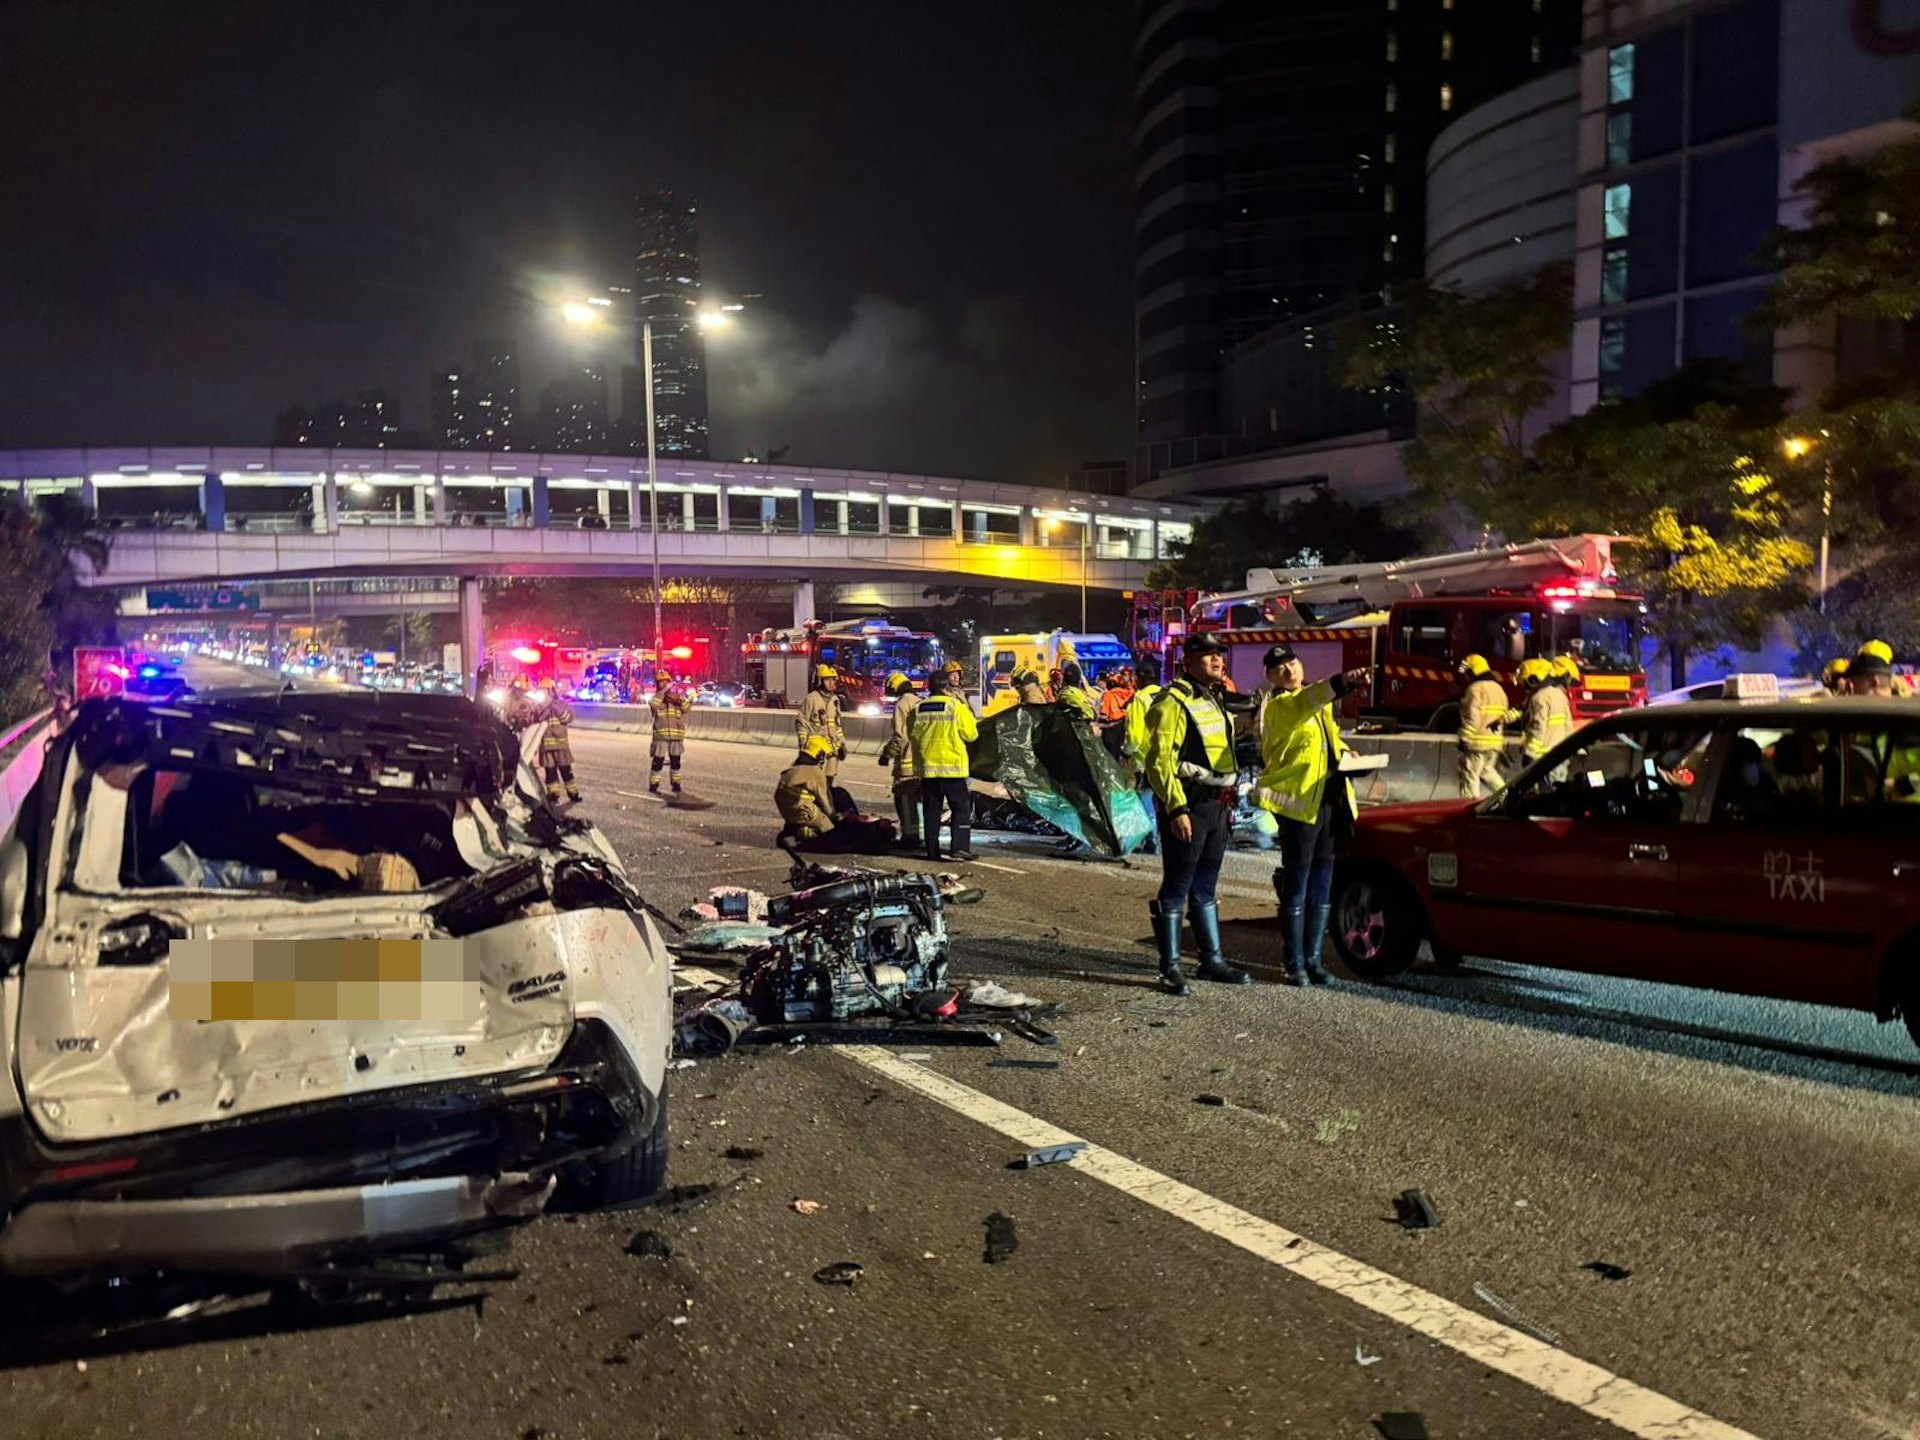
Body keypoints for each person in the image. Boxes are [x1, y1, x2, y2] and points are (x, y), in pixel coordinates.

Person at [1251, 644, 1372, 985]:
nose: (1289, 670)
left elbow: (1329, 742)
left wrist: (1350, 756)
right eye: (1279, 668)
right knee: (1298, 885)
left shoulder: (1315, 704)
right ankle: (1294, 963)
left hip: (1328, 802)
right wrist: (1342, 682)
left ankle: (1314, 961)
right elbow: (1308, 701)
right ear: (1270, 677)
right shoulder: (1280, 705)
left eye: (1292, 662)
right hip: (1299, 806)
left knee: (1322, 885)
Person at [1144, 631, 1250, 994]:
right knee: (1177, 885)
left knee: (1205, 886)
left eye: (1219, 655)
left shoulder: (1215, 698)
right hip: (1188, 805)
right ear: (1187, 662)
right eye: (1207, 656)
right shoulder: (1174, 701)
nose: (1217, 660)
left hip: (1216, 806)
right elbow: (1159, 762)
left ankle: (1211, 961)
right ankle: (1169, 967)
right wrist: (1176, 809)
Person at [910, 667, 978, 862]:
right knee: (961, 809)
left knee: (931, 811)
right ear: (947, 686)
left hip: (928, 768)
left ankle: (932, 850)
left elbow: (912, 734)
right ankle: (959, 849)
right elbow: (971, 734)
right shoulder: (955, 706)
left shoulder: (919, 707)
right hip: (952, 767)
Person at [1456, 654, 1513, 799]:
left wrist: (1464, 738)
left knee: (1470, 774)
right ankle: (1508, 796)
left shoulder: (1475, 689)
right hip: (1494, 742)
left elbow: (1472, 717)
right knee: (1487, 771)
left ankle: (1468, 809)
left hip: (1477, 743)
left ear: (1471, 672)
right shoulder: (1498, 689)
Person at [877, 671, 923, 849]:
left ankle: (910, 838)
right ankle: (920, 835)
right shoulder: (919, 701)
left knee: (905, 801)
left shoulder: (902, 704)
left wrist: (887, 754)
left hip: (907, 765)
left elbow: (900, 737)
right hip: (922, 763)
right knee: (920, 802)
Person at [776, 736, 839, 840]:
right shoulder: (815, 772)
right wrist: (835, 817)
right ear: (820, 754)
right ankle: (805, 832)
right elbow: (824, 800)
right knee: (829, 828)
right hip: (802, 811)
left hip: (786, 811)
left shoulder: (795, 766)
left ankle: (793, 827)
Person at [1518, 657, 1572, 765]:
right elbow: (1568, 725)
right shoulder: (1559, 694)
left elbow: (1538, 727)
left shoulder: (1539, 697)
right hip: (1560, 755)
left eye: (1526, 681)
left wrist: (1529, 754)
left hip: (1543, 758)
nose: (1525, 686)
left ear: (1533, 680)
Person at [797, 665, 846, 780]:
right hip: (815, 745)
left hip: (831, 746)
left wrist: (842, 743)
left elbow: (837, 724)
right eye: (827, 680)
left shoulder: (835, 700)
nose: (831, 683)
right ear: (820, 681)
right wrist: (803, 745)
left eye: (833, 679)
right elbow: (802, 722)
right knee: (813, 779)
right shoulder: (811, 699)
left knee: (829, 778)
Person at [649, 668, 691, 795]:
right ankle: (654, 784)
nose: (663, 684)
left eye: (665, 682)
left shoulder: (677, 697)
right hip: (661, 736)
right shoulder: (656, 698)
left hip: (676, 737)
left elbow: (686, 707)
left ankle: (676, 784)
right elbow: (653, 705)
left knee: (676, 762)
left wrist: (679, 699)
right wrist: (663, 692)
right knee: (658, 762)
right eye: (660, 682)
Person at [540, 696, 581, 805]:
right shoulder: (540, 706)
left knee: (566, 771)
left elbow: (567, 718)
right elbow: (537, 719)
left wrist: (556, 708)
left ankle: (573, 794)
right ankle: (553, 795)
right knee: (550, 773)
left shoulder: (562, 705)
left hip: (561, 746)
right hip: (547, 747)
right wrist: (545, 709)